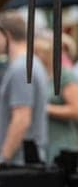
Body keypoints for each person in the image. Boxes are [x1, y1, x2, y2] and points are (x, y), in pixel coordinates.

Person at [0, 10, 48, 167]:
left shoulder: (22, 68)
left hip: (18, 164)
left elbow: (22, 119)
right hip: (23, 163)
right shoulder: (28, 64)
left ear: (6, 35)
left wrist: (2, 159)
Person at [34, 35, 78, 163]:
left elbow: (76, 109)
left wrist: (46, 109)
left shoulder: (65, 76)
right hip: (46, 141)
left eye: (37, 53)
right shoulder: (41, 76)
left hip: (63, 144)